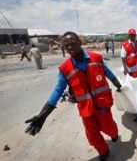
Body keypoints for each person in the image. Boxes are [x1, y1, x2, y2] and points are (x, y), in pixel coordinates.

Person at [24, 31, 122, 161]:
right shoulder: (65, 68)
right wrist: (43, 114)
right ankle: (103, 151)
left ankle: (114, 134)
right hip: (86, 109)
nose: (70, 47)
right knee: (92, 135)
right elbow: (58, 91)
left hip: (102, 104)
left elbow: (107, 71)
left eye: (73, 44)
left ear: (80, 43)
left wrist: (118, 84)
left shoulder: (96, 58)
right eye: (66, 46)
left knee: (108, 127)